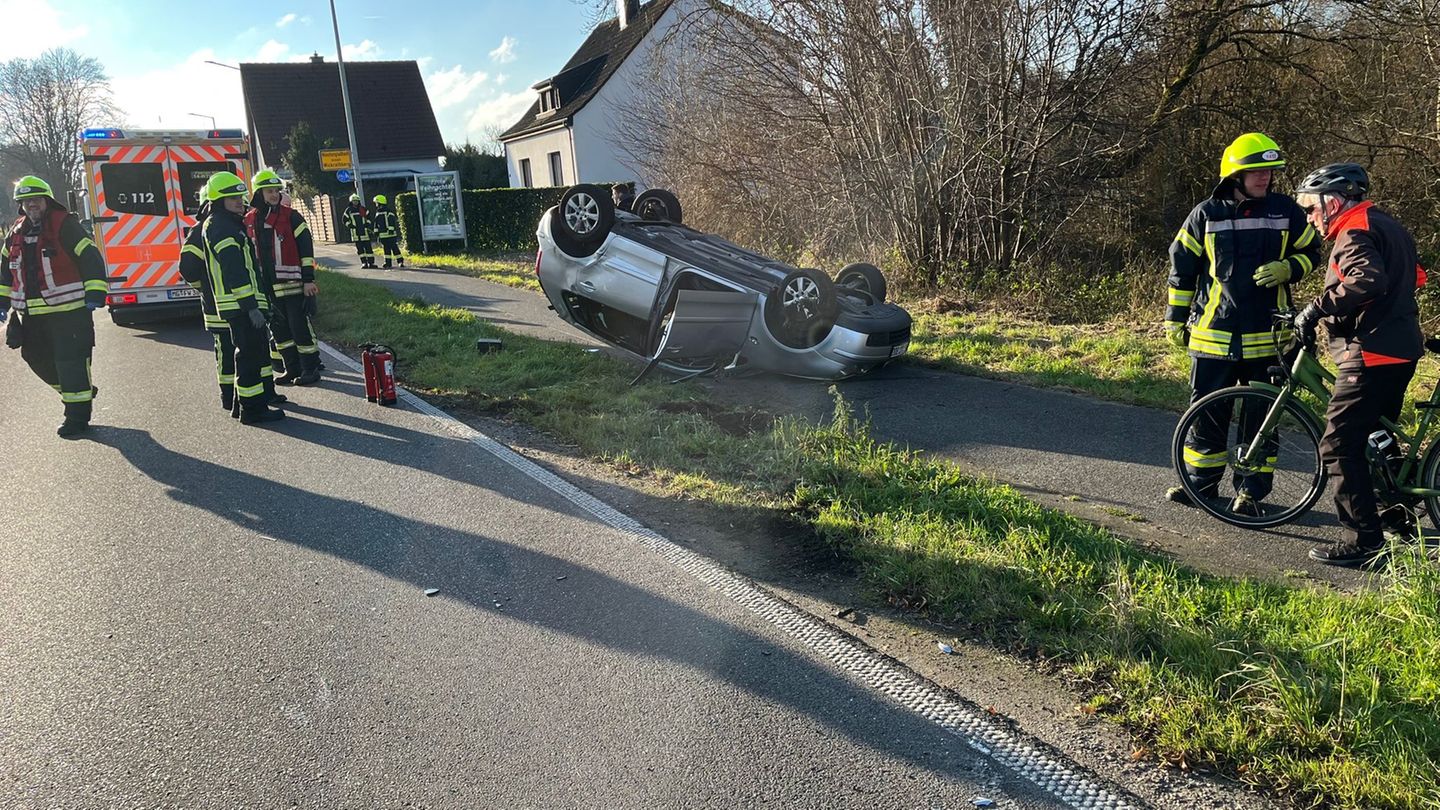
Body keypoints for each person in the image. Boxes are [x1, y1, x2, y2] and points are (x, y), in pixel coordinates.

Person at [1164, 133, 1321, 514]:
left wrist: (1291, 267)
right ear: (1234, 175)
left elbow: (1313, 252)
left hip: (1268, 337)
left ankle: (1249, 493)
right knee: (1205, 416)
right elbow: (1181, 270)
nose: (1265, 177)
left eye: (1270, 170)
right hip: (1213, 336)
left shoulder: (1287, 212)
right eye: (1257, 171)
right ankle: (1198, 485)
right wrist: (1174, 320)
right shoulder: (1206, 214)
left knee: (1261, 419)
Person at [1291, 163, 1424, 567]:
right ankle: (1397, 518)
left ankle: (1363, 542)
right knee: (1376, 439)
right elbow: (1416, 277)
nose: (1310, 219)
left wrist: (1317, 308)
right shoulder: (1386, 224)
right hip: (1400, 348)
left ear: (1331, 202)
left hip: (1371, 352)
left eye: (1310, 209)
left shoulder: (1353, 230)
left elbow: (1367, 281)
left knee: (1339, 445)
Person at [0, 176, 109, 437]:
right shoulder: (16, 232)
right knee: (34, 358)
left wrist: (95, 292)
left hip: (69, 313)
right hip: (33, 317)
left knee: (70, 363)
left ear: (47, 201)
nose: (31, 205)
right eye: (26, 202)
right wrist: (3, 302)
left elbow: (91, 258)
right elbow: (5, 271)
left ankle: (77, 419)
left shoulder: (66, 225)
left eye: (36, 200)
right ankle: (79, 393)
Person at [201, 170, 284, 425]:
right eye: (231, 197)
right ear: (218, 201)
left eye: (239, 196)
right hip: (240, 306)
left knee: (252, 354)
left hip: (242, 304)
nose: (238, 201)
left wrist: (263, 302)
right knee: (248, 357)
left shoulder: (226, 224)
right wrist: (251, 307)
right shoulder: (222, 227)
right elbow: (234, 271)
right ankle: (253, 410)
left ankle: (242, 405)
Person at [245, 169, 320, 386]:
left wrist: (308, 280)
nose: (274, 195)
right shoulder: (250, 220)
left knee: (300, 328)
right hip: (266, 288)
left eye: (277, 190)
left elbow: (306, 249)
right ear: (259, 193)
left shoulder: (291, 216)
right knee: (280, 331)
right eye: (269, 191)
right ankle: (292, 369)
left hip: (293, 286)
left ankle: (310, 368)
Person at [176, 199, 239, 412]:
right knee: (227, 350)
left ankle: (254, 395)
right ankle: (229, 396)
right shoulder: (202, 231)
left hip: (237, 303)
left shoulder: (231, 224)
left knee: (245, 350)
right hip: (218, 306)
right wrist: (204, 287)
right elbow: (188, 268)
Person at [343, 192, 375, 268]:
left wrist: (367, 224)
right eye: (354, 201)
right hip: (355, 233)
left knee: (368, 249)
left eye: (357, 201)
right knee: (360, 250)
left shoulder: (363, 209)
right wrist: (351, 226)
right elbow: (344, 220)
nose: (355, 202)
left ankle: (371, 263)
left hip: (365, 232)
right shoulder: (348, 210)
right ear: (351, 202)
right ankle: (364, 263)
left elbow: (369, 218)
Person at [371, 194, 402, 269]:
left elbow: (391, 222)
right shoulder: (378, 213)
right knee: (386, 250)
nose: (376, 204)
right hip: (383, 235)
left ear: (380, 203)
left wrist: (391, 230)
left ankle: (400, 261)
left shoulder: (389, 212)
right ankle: (387, 263)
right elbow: (376, 224)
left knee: (394, 248)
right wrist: (376, 232)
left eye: (376, 203)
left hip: (390, 235)